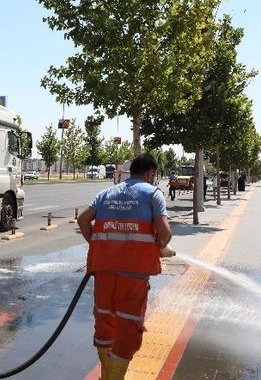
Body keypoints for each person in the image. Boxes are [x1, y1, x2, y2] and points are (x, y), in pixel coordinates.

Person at [77, 154, 173, 380]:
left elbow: (82, 220)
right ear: (150, 173)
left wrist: (98, 244)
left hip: (104, 272)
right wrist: (161, 247)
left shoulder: (106, 193)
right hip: (133, 276)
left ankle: (106, 376)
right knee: (128, 330)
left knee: (105, 324)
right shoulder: (153, 194)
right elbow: (165, 233)